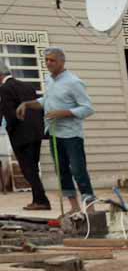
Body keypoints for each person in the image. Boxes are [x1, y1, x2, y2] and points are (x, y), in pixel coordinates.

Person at [24, 48, 93, 219]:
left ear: (62, 62)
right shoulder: (49, 80)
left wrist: (64, 113)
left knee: (78, 170)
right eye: (46, 60)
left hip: (71, 135)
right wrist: (27, 104)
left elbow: (87, 108)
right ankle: (74, 207)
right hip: (54, 133)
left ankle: (90, 209)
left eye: (52, 60)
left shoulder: (74, 82)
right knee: (62, 171)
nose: (48, 63)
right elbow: (46, 100)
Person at [0, 62, 49, 211]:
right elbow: (37, 107)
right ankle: (37, 200)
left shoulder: (4, 89)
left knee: (28, 169)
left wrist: (10, 128)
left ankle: (41, 200)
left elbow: (9, 113)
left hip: (21, 134)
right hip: (36, 132)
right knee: (32, 167)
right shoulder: (27, 86)